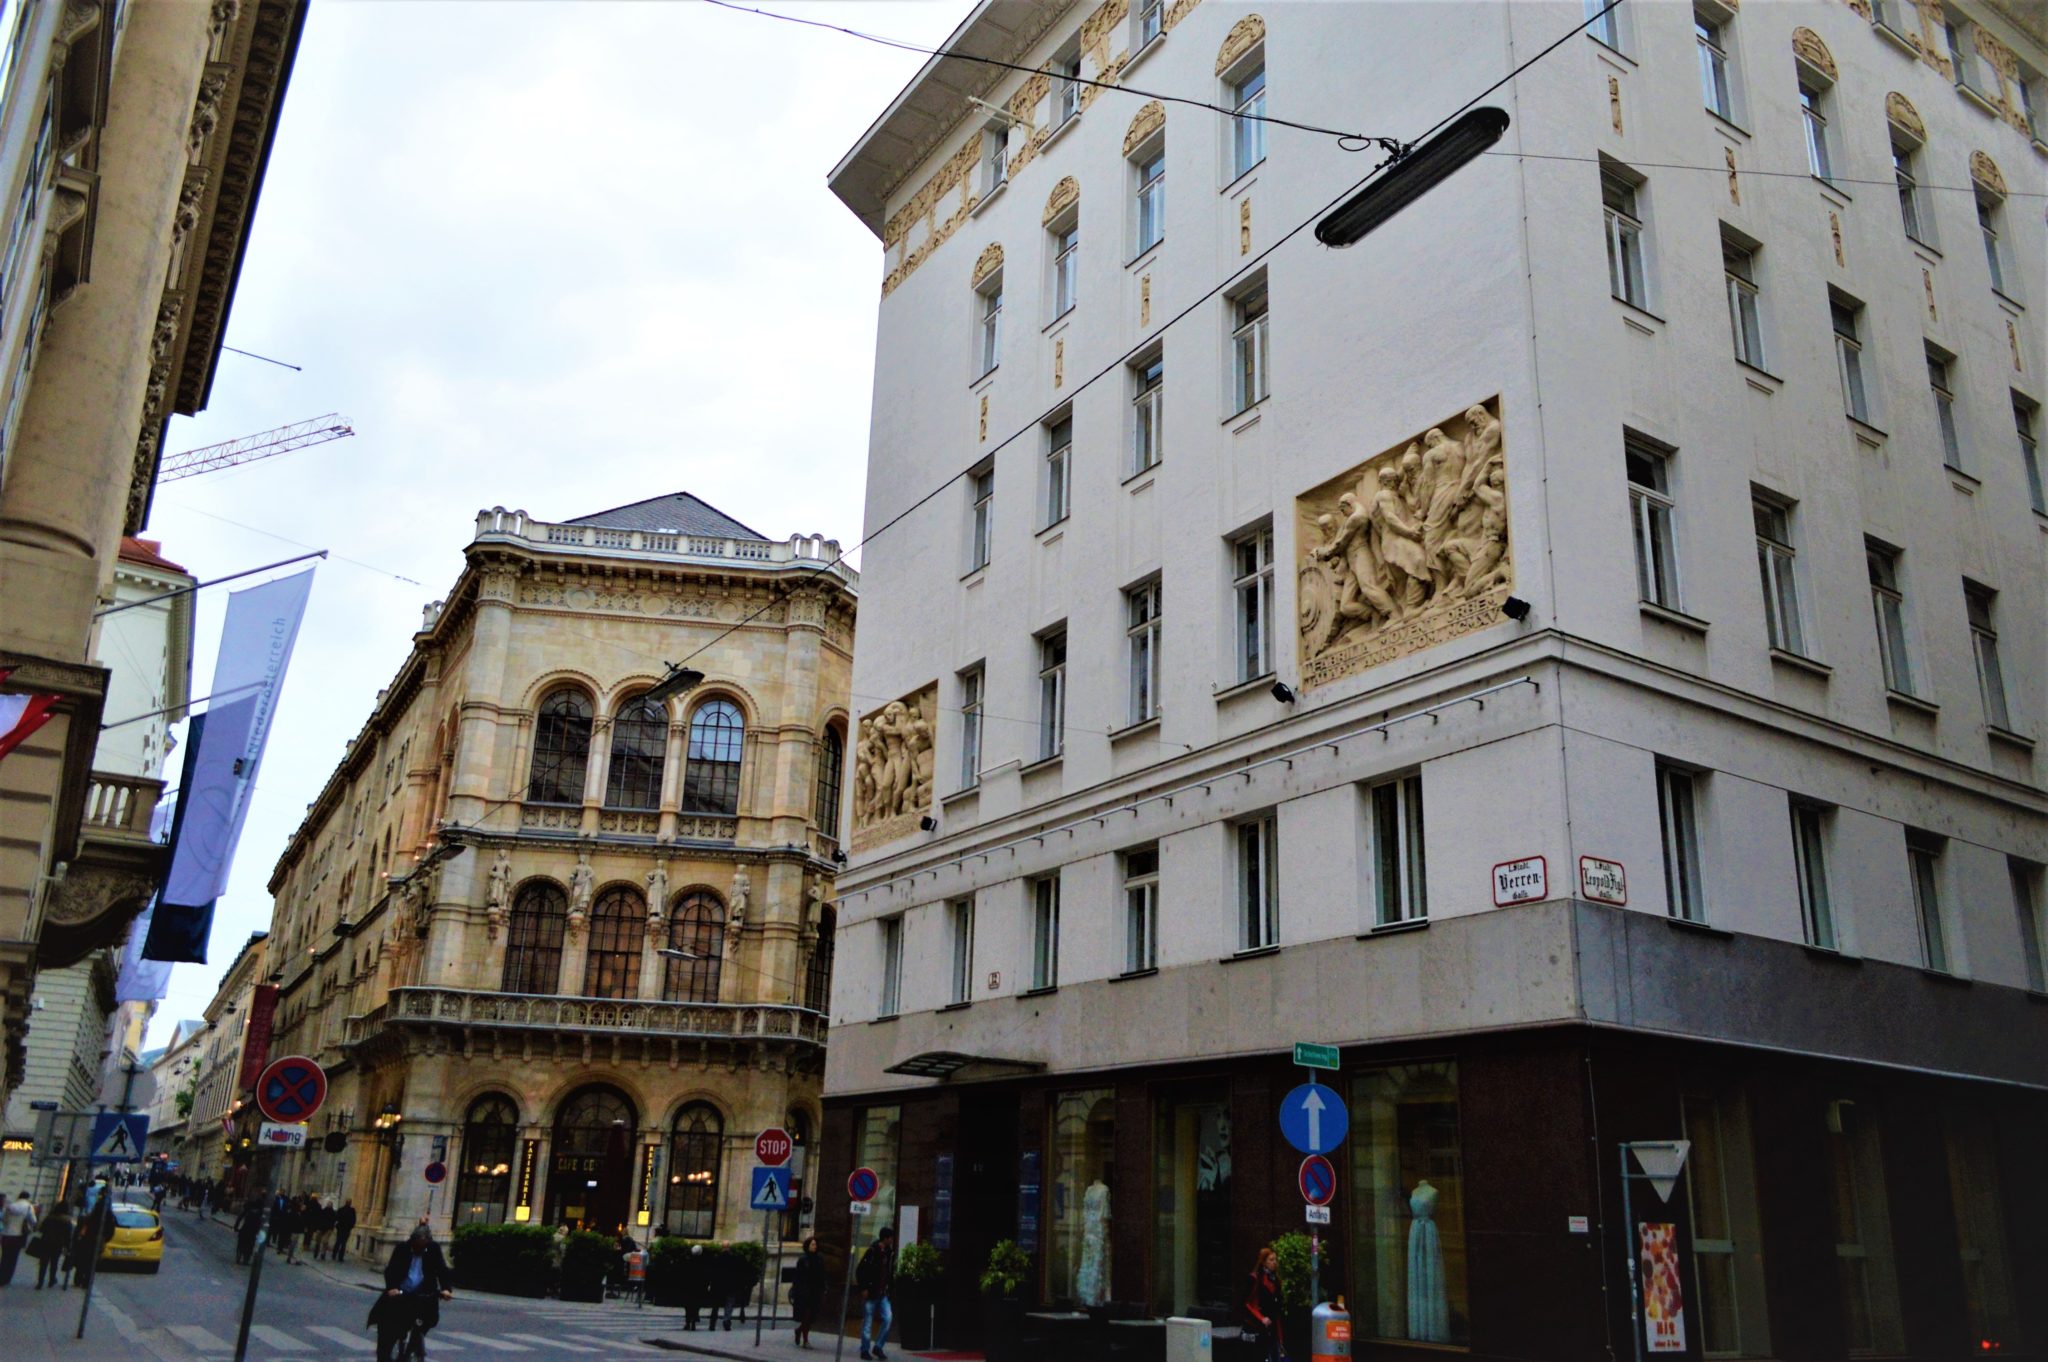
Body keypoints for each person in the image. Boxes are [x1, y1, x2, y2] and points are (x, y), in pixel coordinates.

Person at [370, 1224, 454, 1362]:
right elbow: (391, 1270)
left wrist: (446, 1289)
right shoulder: (402, 1249)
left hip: (423, 1295)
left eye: (423, 1246)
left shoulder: (433, 1249)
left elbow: (442, 1269)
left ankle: (412, 1348)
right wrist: (392, 1287)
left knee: (427, 1319)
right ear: (412, 1241)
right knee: (387, 1332)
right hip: (401, 1294)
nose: (420, 1249)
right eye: (417, 1245)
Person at [855, 1225, 897, 1361]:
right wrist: (864, 1288)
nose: (892, 1240)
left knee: (888, 1318)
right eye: (890, 1238)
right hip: (872, 1292)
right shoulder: (872, 1251)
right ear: (885, 1238)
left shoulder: (890, 1253)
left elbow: (890, 1272)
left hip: (883, 1293)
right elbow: (860, 1270)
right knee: (867, 1322)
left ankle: (878, 1346)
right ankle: (865, 1349)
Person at [1242, 1245, 1285, 1362]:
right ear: (1264, 1262)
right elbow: (1247, 1303)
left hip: (1273, 1326)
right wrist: (1261, 1318)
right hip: (1258, 1326)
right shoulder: (1254, 1279)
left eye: (1275, 1259)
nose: (1274, 1262)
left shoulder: (1276, 1280)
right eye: (1271, 1260)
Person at [790, 1235, 825, 1348]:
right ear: (808, 1246)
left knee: (810, 1318)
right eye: (812, 1244)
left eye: (815, 1244)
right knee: (806, 1315)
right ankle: (805, 1340)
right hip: (804, 1292)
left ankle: (799, 1330)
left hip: (815, 1292)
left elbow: (822, 1275)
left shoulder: (819, 1259)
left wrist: (824, 1287)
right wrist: (796, 1291)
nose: (815, 1246)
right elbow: (798, 1277)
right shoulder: (803, 1259)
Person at [32, 1204, 73, 1290]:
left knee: (43, 1263)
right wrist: (68, 1246)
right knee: (54, 1262)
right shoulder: (66, 1220)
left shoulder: (49, 1218)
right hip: (58, 1244)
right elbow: (68, 1235)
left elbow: (41, 1229)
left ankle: (40, 1282)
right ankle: (51, 1280)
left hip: (46, 1242)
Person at [1, 1189, 38, 1286]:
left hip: (6, 1235)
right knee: (13, 1258)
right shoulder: (29, 1207)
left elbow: (4, 1220)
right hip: (18, 1235)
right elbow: (33, 1221)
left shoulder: (10, 1206)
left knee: (5, 1256)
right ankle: (7, 1278)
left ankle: (1, 1275)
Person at [234, 1199, 263, 1266]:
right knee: (250, 1246)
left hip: (245, 1229)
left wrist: (236, 1226)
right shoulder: (260, 1213)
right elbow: (260, 1223)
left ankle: (240, 1254)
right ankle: (246, 1259)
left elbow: (240, 1218)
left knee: (241, 1243)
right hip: (253, 1231)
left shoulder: (248, 1210)